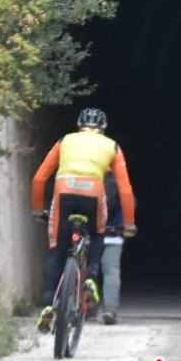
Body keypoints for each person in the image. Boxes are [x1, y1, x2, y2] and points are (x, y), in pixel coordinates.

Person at [30, 107, 137, 334]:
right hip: (93, 195)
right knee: (98, 232)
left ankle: (49, 303)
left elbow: (39, 178)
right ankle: (91, 278)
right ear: (103, 128)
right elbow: (125, 190)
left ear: (79, 125)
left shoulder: (65, 140)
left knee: (56, 249)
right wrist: (128, 224)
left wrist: (38, 209)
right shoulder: (112, 146)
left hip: (64, 192)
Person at [100, 172, 126, 325]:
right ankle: (110, 310)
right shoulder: (119, 180)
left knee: (88, 268)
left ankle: (84, 308)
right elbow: (131, 202)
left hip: (91, 233)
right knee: (111, 271)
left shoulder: (87, 178)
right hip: (113, 233)